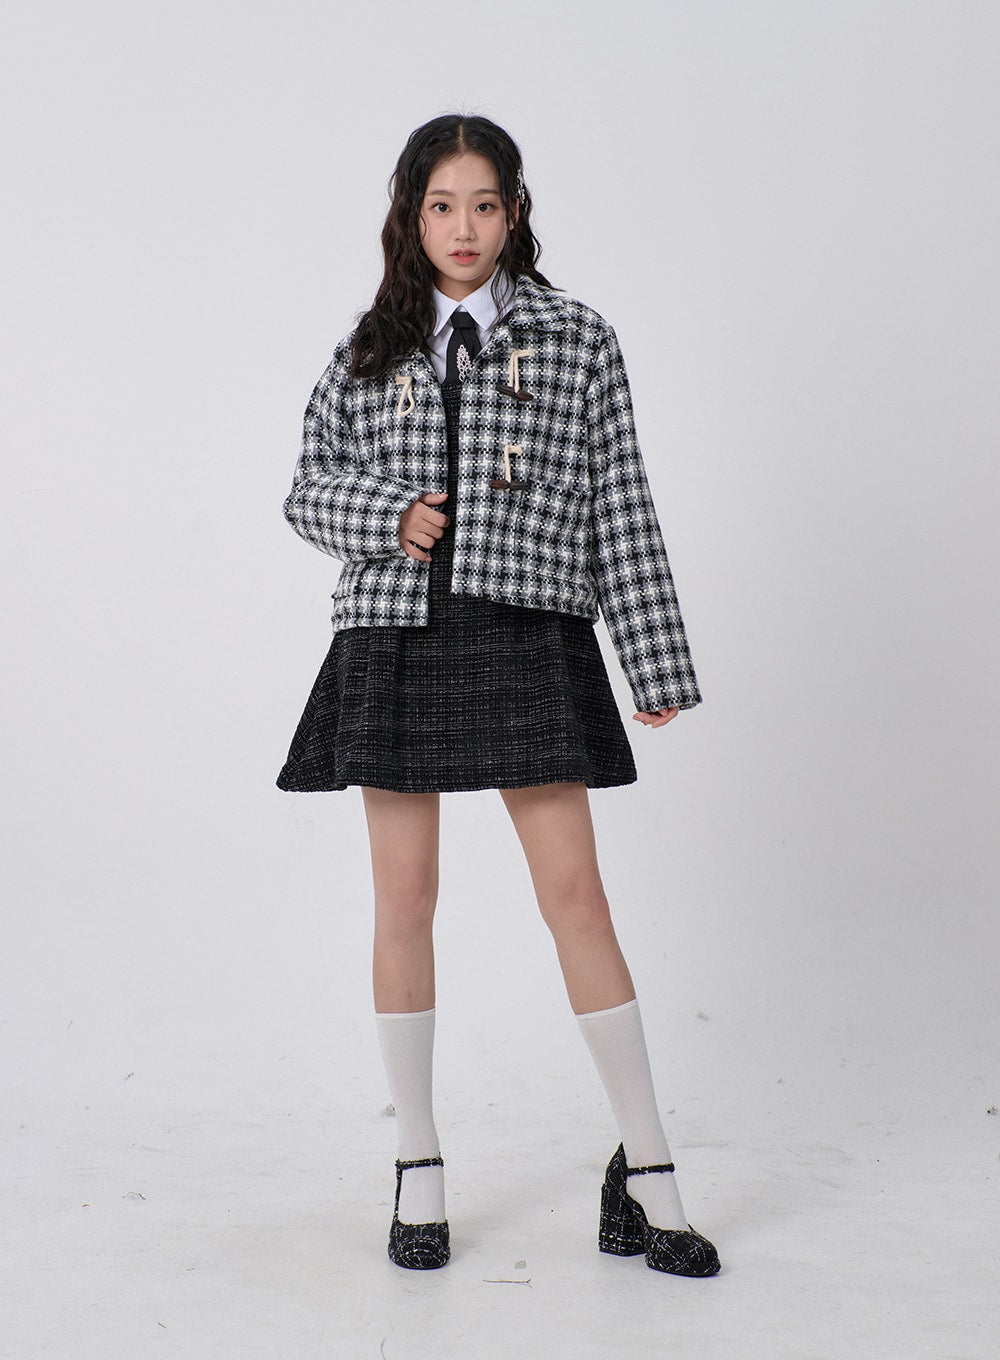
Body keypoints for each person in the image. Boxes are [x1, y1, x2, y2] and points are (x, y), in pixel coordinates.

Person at [275, 113, 720, 1278]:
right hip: (395, 634)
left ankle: (649, 1169)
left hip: (527, 631)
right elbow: (305, 488)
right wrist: (388, 516)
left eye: (483, 204)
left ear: (514, 211)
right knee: (404, 897)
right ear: (410, 216)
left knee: (576, 897)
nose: (463, 228)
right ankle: (417, 1165)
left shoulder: (577, 339)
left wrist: (654, 662)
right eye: (441, 206)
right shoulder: (367, 347)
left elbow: (620, 500)